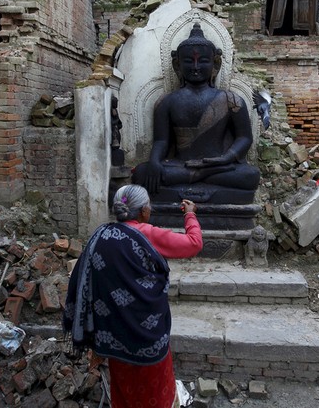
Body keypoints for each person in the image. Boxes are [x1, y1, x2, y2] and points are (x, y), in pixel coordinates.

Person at [62, 184, 202, 408]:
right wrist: (191, 215)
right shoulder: (148, 234)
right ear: (144, 211)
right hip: (148, 337)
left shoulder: (101, 235)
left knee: (124, 392)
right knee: (155, 393)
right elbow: (194, 243)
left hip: (115, 336)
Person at [132, 22, 260, 202]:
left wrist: (225, 159)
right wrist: (154, 162)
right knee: (141, 173)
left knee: (251, 175)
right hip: (182, 165)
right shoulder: (167, 102)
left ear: (215, 64)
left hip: (220, 165)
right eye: (188, 61)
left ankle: (202, 174)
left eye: (203, 61)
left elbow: (245, 138)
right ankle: (204, 174)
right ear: (178, 65)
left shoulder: (231, 100)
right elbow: (162, 140)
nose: (195, 66)